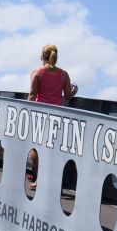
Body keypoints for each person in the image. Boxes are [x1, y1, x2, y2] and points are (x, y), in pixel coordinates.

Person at [26, 45, 78, 187]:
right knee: (53, 149)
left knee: (35, 148)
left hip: (39, 115)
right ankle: (52, 181)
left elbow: (32, 96)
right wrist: (74, 91)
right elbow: (68, 96)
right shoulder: (64, 74)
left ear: (42, 57)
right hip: (57, 116)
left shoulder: (37, 73)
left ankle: (38, 179)